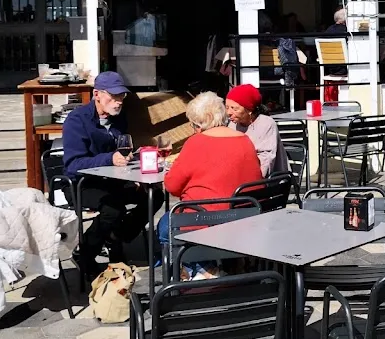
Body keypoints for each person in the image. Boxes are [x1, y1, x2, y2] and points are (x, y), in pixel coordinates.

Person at [62, 71, 159, 280]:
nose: (118, 102)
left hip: (112, 181)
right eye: (113, 97)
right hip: (81, 184)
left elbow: (121, 151)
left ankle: (116, 235)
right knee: (112, 208)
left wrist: (132, 163)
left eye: (121, 97)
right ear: (97, 94)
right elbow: (72, 165)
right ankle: (84, 254)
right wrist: (109, 158)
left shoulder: (118, 119)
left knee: (154, 196)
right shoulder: (77, 120)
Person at [157, 92, 263, 278]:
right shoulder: (245, 140)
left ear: (198, 125)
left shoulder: (196, 143)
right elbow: (257, 181)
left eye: (193, 125)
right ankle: (229, 264)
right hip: (244, 219)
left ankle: (202, 269)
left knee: (165, 226)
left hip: (204, 223)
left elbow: (172, 186)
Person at [225, 84, 288, 177]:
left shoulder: (266, 124)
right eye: (227, 107)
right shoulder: (232, 125)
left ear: (249, 110)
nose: (229, 113)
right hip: (238, 178)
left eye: (234, 108)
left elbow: (266, 160)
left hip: (269, 181)